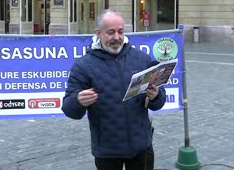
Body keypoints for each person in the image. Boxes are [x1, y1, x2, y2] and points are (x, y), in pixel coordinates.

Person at [62, 9, 166, 170]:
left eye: (120, 32)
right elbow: (69, 109)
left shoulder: (141, 58)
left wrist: (155, 95)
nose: (117, 37)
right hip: (107, 150)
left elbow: (158, 103)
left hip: (141, 146)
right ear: (98, 33)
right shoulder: (83, 66)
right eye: (110, 32)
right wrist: (78, 101)